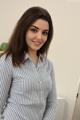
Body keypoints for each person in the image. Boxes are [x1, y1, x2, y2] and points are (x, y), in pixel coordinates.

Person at [0, 6, 57, 120]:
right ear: (23, 29)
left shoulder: (48, 65)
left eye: (45, 32)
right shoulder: (7, 61)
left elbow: (52, 104)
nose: (40, 37)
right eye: (34, 30)